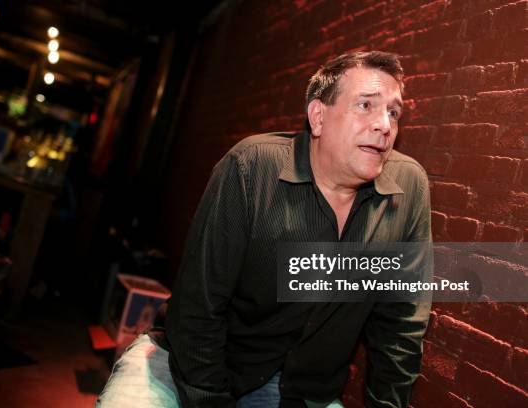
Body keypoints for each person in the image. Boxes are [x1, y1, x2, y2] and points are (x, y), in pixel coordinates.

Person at [97, 51, 432, 408]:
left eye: (393, 112)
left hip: (300, 390)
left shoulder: (409, 187)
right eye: (366, 105)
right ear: (318, 117)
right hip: (192, 362)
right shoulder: (250, 167)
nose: (384, 124)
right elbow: (198, 309)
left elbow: (399, 325)